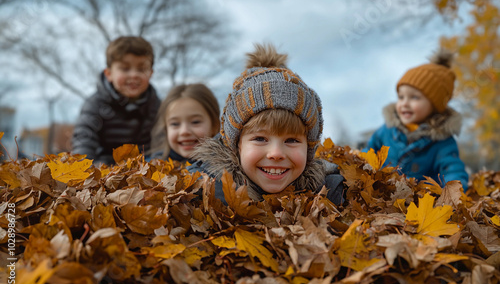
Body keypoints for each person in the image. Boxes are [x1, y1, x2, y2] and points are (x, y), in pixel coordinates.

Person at [188, 43, 344, 205]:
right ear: (236, 146)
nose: (276, 153)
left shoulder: (330, 192)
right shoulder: (204, 193)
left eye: (291, 140)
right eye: (260, 139)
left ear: (308, 148)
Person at [365, 49, 469, 190]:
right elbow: (368, 153)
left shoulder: (442, 142)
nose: (404, 103)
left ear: (434, 105)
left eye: (414, 97)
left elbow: (452, 170)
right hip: (382, 195)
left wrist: (454, 191)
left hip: (419, 202)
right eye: (401, 97)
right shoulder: (387, 131)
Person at [72, 36, 160, 165]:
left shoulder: (156, 106)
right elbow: (84, 139)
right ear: (109, 74)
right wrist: (84, 167)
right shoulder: (95, 105)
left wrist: (157, 164)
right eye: (125, 69)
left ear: (151, 73)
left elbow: (161, 142)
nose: (134, 75)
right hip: (104, 166)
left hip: (144, 167)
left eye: (141, 69)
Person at [149, 83, 220, 162]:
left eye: (195, 122)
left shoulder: (229, 171)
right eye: (175, 124)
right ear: (166, 129)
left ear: (215, 126)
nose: (184, 131)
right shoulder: (152, 168)